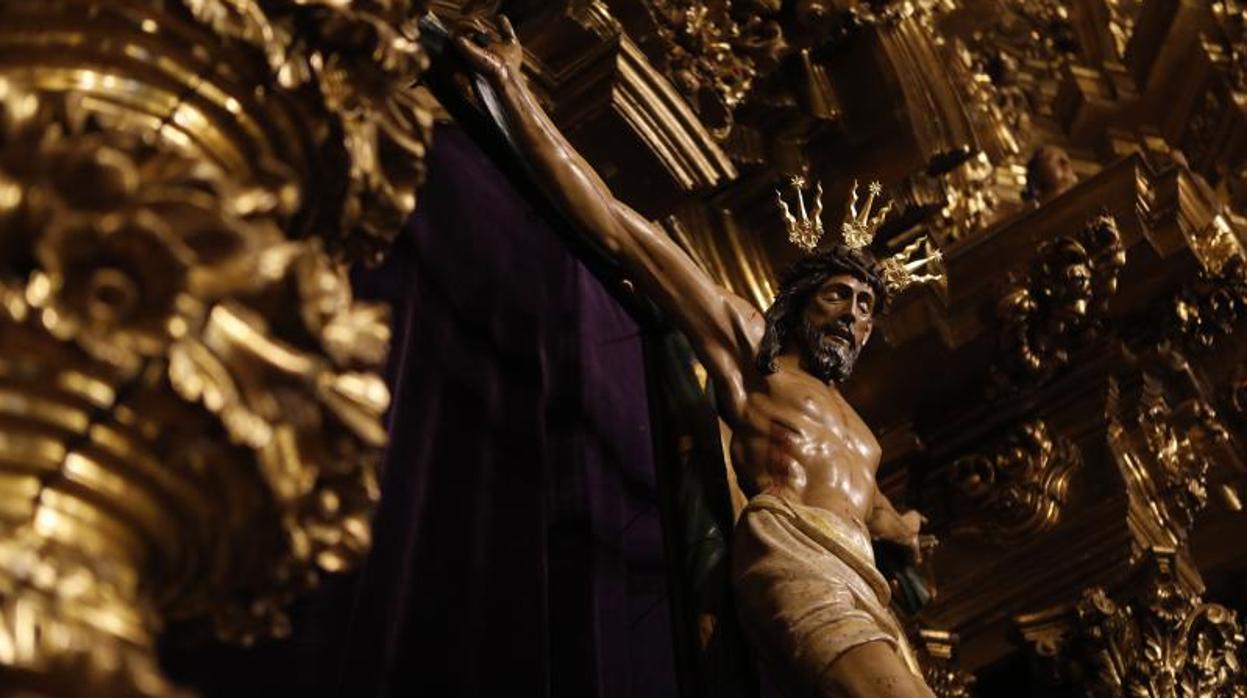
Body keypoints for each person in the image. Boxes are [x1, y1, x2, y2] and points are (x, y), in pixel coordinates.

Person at [451, 16, 935, 698]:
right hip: (795, 559)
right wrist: (510, 87)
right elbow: (622, 230)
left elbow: (887, 520)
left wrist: (909, 534)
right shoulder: (751, 351)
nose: (853, 316)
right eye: (837, 296)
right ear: (798, 301)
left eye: (865, 309)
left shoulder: (862, 436)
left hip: (863, 584)